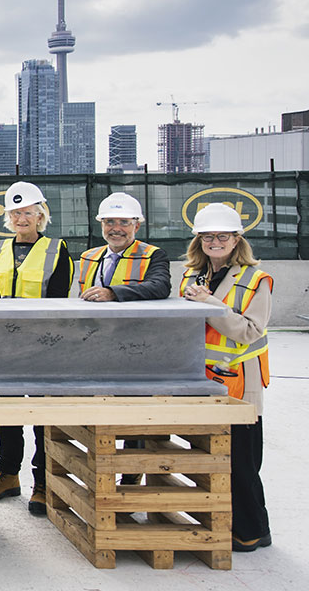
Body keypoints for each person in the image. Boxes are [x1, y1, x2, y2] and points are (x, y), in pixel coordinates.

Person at [180, 203, 273, 552]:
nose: (214, 242)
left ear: (237, 240)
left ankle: (253, 530)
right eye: (208, 237)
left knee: (241, 462)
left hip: (239, 385)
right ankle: (223, 523)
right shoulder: (192, 277)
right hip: (201, 382)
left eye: (222, 236)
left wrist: (209, 304)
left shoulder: (255, 279)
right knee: (211, 457)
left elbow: (250, 331)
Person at [0, 182, 72, 516]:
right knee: (8, 412)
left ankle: (43, 482)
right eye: (16, 212)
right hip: (4, 343)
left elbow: (59, 302)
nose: (21, 218)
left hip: (42, 344)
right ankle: (8, 474)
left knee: (41, 416)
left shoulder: (57, 249)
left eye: (28, 212)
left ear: (40, 214)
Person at [77, 192, 171, 303]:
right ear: (102, 225)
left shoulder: (152, 255)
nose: (116, 228)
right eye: (110, 222)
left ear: (136, 226)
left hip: (134, 319)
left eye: (124, 222)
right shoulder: (88, 257)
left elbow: (160, 287)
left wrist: (112, 293)